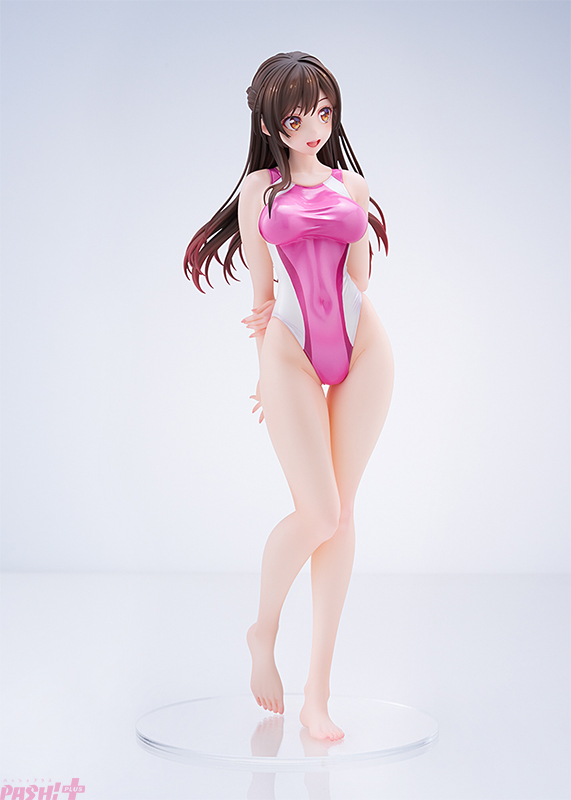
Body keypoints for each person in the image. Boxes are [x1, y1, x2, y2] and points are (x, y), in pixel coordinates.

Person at [184, 51, 394, 741]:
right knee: (319, 512)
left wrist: (346, 335)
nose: (313, 128)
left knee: (343, 515)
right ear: (270, 122)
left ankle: (318, 695)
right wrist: (267, 377)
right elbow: (263, 297)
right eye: (297, 117)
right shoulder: (260, 191)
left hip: (364, 347)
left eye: (322, 112)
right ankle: (263, 630)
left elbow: (358, 282)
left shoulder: (353, 185)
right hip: (290, 347)